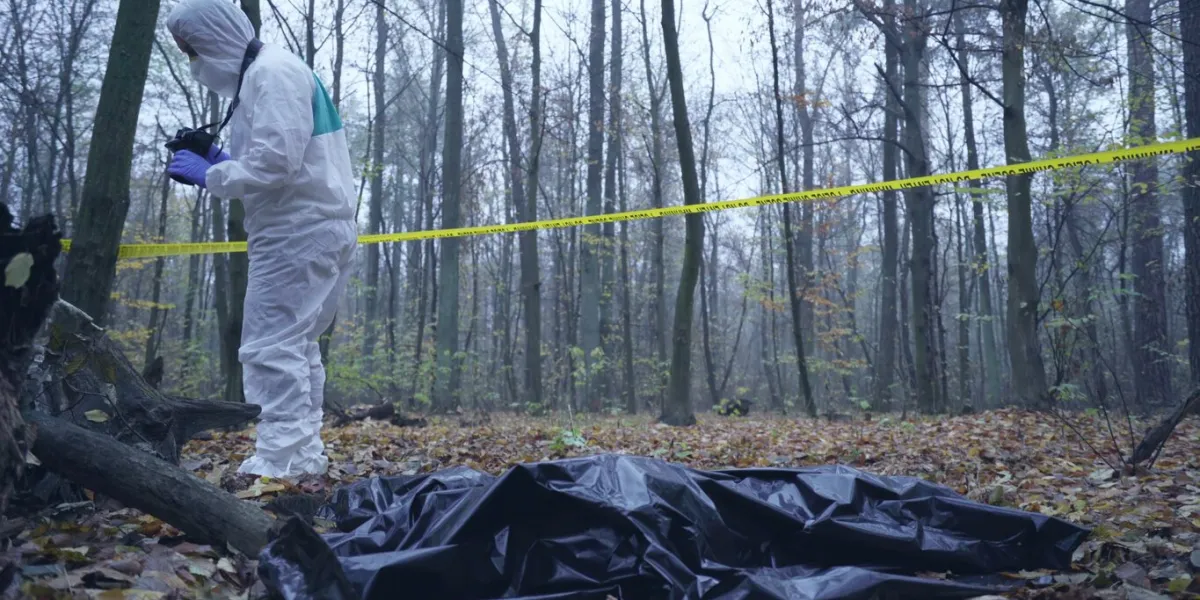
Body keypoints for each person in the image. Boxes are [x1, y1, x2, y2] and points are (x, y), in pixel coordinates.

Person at [165, 0, 357, 479]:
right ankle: (301, 457)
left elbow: (276, 164)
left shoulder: (271, 72)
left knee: (271, 347)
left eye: (193, 50)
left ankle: (280, 464)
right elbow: (288, 157)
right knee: (297, 346)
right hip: (313, 226)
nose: (195, 63)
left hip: (297, 231)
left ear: (214, 38)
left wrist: (212, 175)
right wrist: (220, 158)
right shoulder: (271, 72)